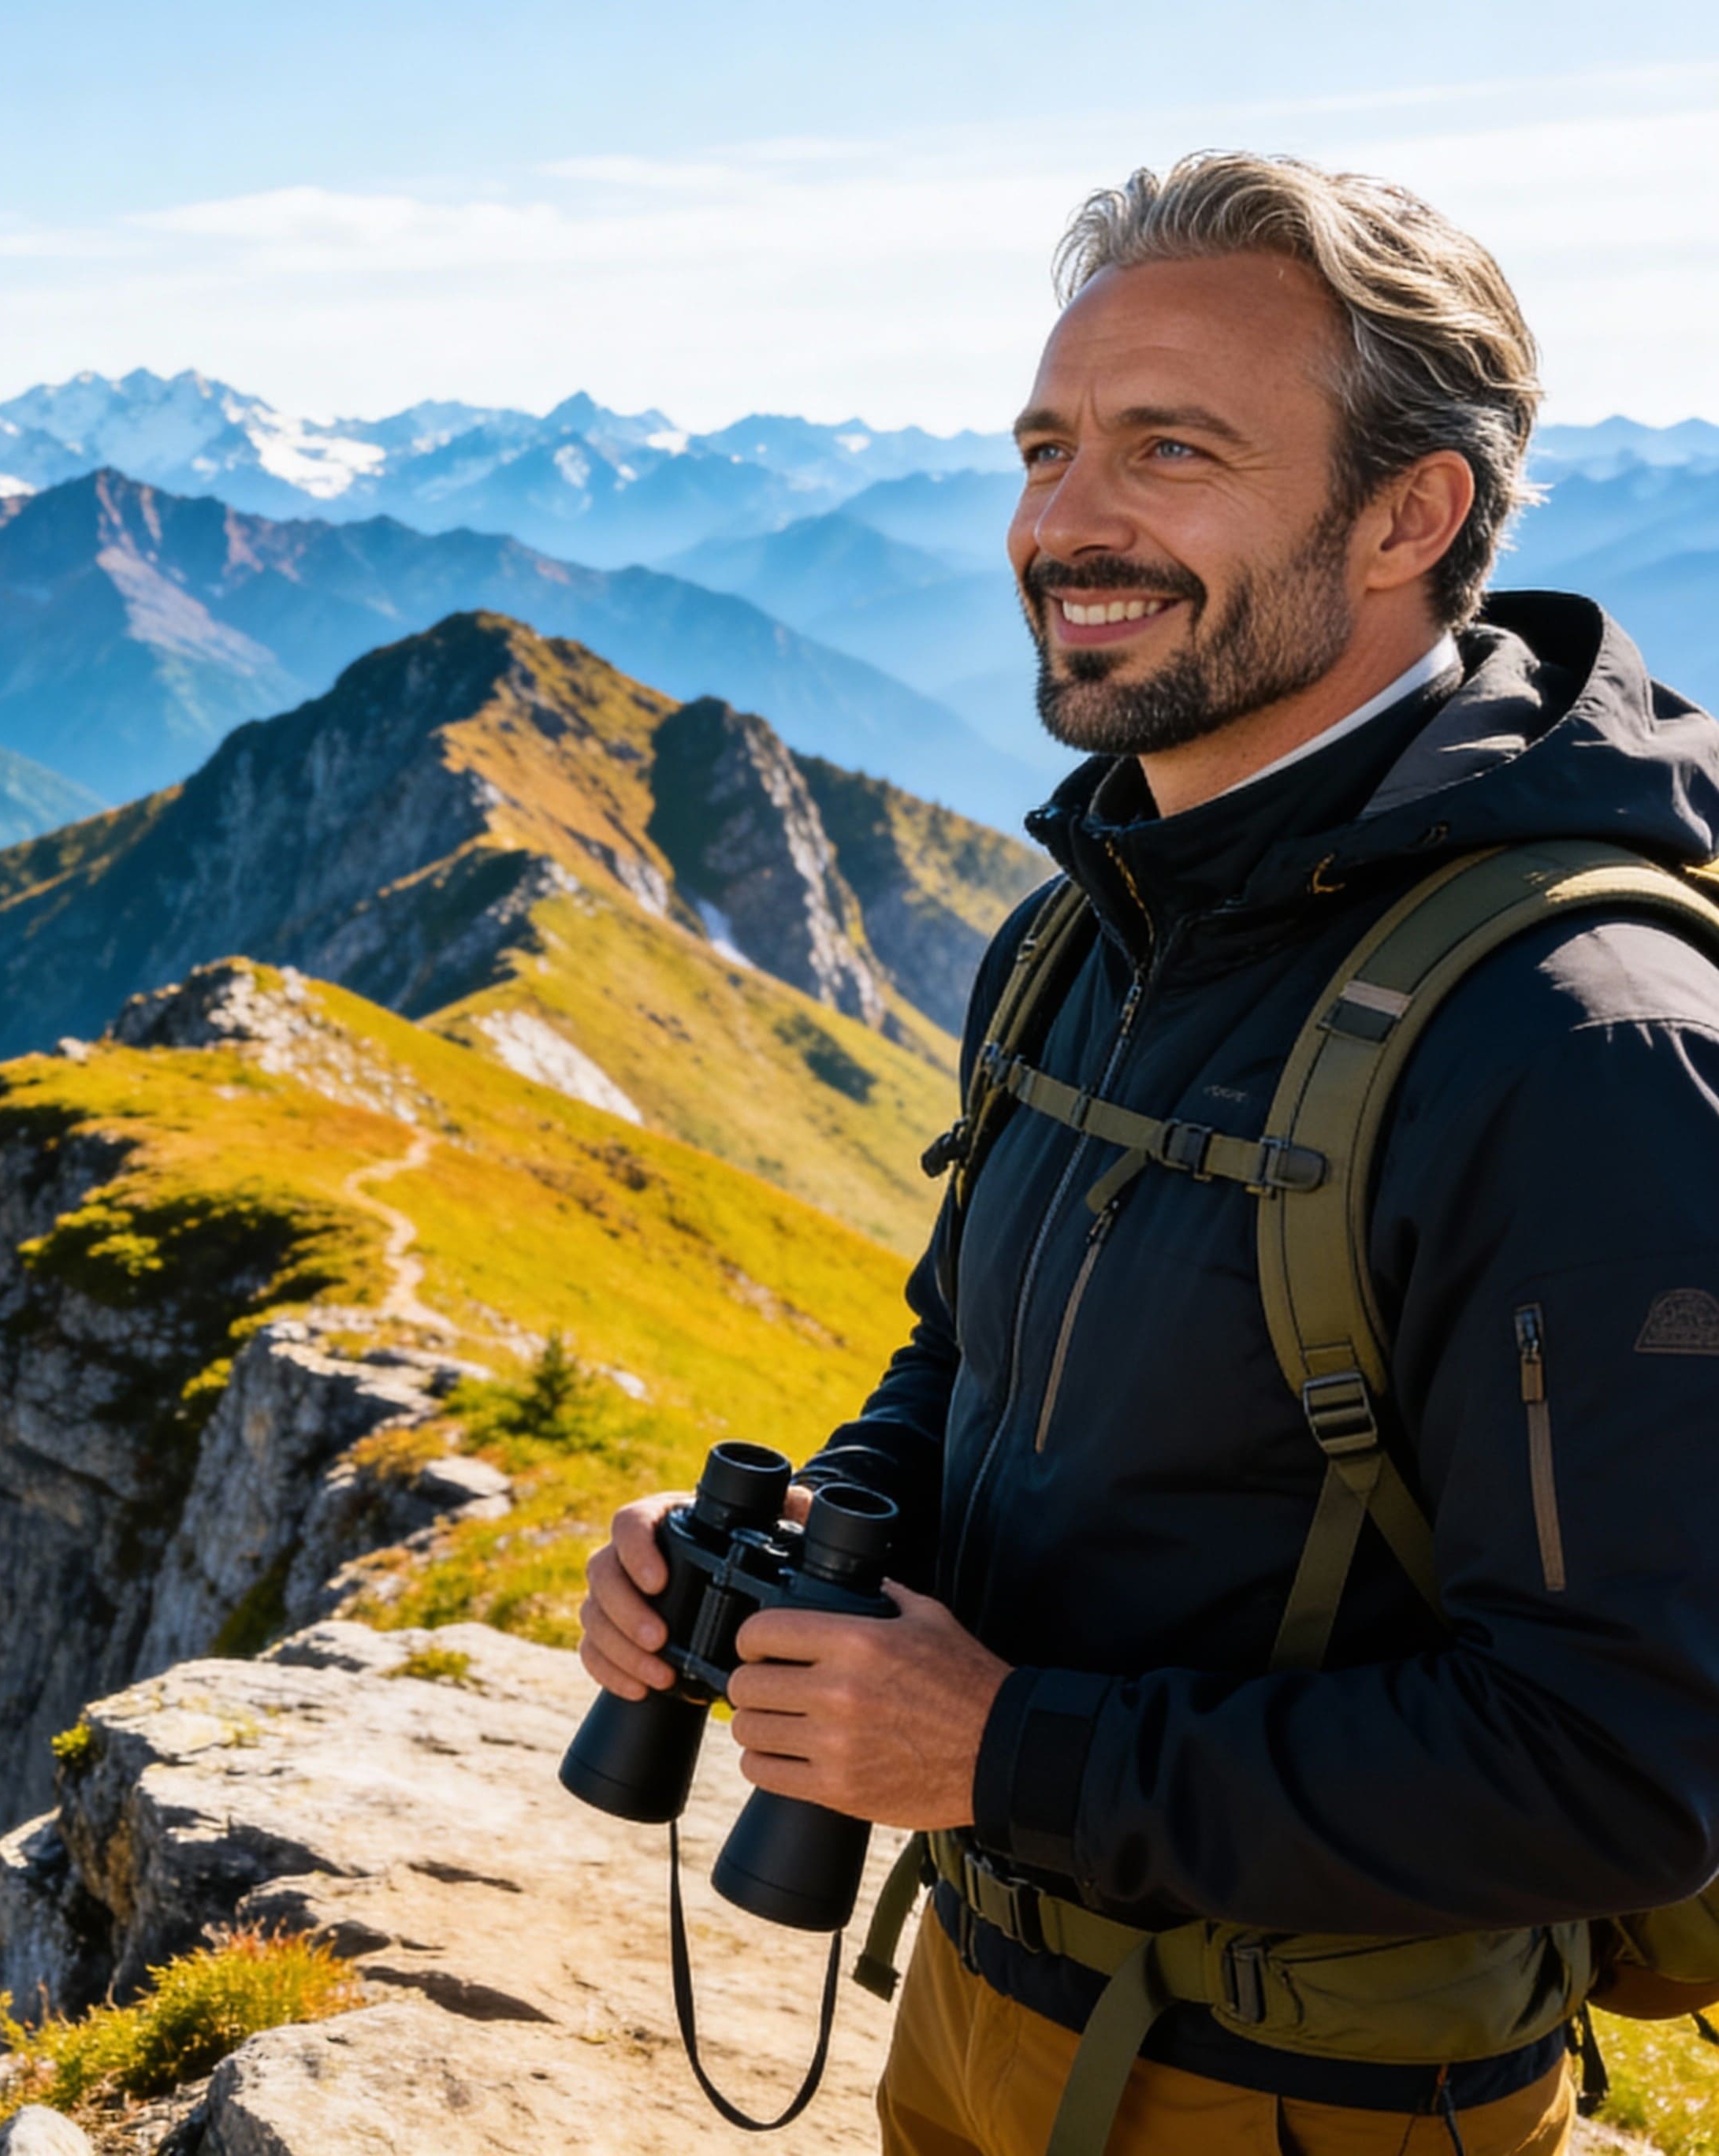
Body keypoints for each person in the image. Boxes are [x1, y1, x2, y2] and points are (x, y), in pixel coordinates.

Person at [578, 152, 1719, 2156]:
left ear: (1407, 512)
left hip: (1314, 2101)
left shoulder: (1575, 1042)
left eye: (1165, 451)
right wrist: (787, 1563)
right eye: (1045, 447)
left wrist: (1004, 1747)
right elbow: (975, 1373)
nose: (1060, 525)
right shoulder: (1093, 917)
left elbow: (1624, 1767)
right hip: (973, 2006)